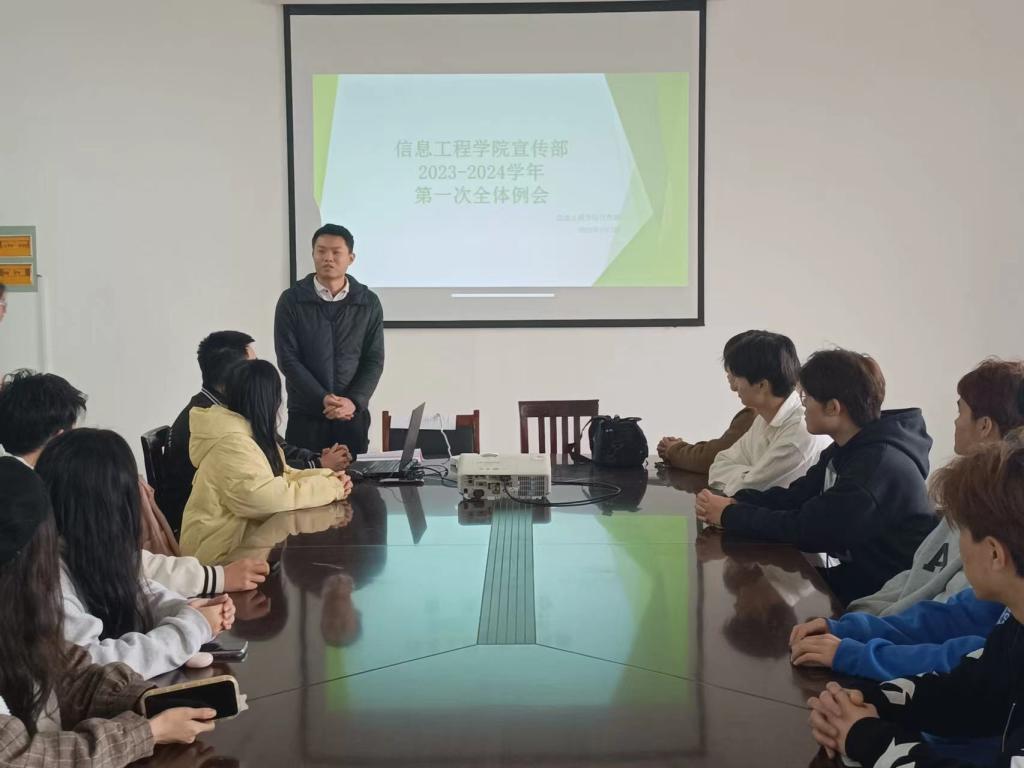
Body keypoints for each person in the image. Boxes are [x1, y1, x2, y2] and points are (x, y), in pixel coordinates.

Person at [789, 359, 1024, 680]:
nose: (955, 421)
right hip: (888, 636)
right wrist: (850, 630)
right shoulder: (979, 503)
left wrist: (857, 650)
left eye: (960, 410)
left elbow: (963, 656)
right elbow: (950, 616)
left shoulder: (992, 516)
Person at [807, 436, 1024, 768]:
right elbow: (975, 688)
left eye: (962, 532)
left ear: (995, 554)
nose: (959, 548)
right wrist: (870, 702)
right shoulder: (1015, 622)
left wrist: (867, 738)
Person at [0, 458, 219, 766]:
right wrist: (146, 733)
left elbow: (69, 671)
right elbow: (22, 758)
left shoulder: (15, 614)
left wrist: (143, 698)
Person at [696, 349, 937, 605]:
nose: (802, 406)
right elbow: (796, 496)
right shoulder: (847, 447)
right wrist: (737, 502)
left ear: (833, 407)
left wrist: (730, 515)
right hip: (858, 577)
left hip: (890, 597)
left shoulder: (876, 466)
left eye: (806, 398)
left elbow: (808, 529)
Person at [0, 368, 268, 596]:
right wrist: (217, 578)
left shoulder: (15, 487)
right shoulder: (62, 492)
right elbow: (116, 563)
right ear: (60, 437)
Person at [38, 429, 234, 680]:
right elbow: (93, 669)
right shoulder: (47, 578)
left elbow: (135, 592)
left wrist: (186, 609)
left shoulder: (89, 547)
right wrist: (188, 630)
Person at [165, 331, 352, 532]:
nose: (259, 374)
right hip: (219, 530)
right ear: (234, 375)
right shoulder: (216, 428)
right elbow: (263, 490)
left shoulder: (227, 413)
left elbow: (274, 455)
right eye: (252, 366)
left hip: (233, 519)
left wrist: (320, 467)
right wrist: (321, 468)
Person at [180, 359, 353, 564]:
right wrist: (331, 488)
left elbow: (284, 474)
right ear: (269, 401)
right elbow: (266, 500)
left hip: (243, 548)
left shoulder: (249, 434)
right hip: (218, 560)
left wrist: (331, 477)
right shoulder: (231, 444)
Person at [275, 223, 385, 457]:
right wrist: (322, 398)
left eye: (336, 252)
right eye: (321, 251)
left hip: (351, 416)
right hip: (306, 415)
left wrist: (353, 401)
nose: (328, 258)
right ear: (313, 254)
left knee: (354, 478)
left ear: (351, 258)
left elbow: (373, 360)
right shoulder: (291, 300)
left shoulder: (368, 302)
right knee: (305, 475)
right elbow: (288, 359)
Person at [706, 330, 829, 494]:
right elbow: (719, 466)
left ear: (762, 385)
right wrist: (750, 474)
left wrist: (748, 476)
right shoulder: (764, 417)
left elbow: (748, 490)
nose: (734, 387)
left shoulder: (798, 433)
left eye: (736, 378)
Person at [657, 331, 757, 473]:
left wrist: (674, 450)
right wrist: (680, 447)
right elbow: (722, 449)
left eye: (732, 369)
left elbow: (714, 458)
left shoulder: (754, 414)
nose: (730, 378)